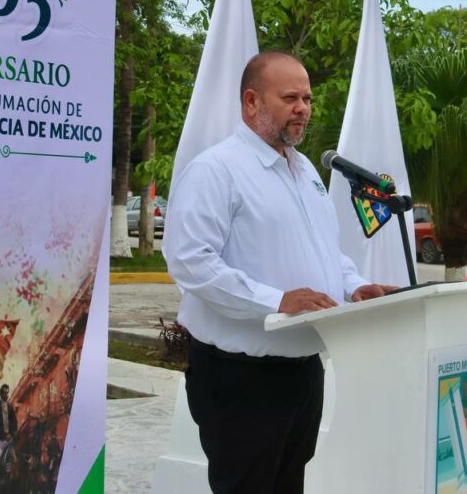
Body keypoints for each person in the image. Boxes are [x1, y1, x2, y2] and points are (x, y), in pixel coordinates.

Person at [164, 50, 395, 494]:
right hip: (242, 377)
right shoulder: (216, 170)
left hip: (302, 371)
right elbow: (191, 262)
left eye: (307, 98)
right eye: (290, 97)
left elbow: (326, 251)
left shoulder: (304, 170)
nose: (303, 108)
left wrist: (353, 287)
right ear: (251, 102)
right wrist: (276, 301)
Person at [0, 384, 18, 451]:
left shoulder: (10, 407)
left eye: (7, 393)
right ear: (1, 394)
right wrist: (4, 435)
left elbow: (14, 422)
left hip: (10, 439)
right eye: (4, 393)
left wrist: (12, 434)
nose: (6, 395)